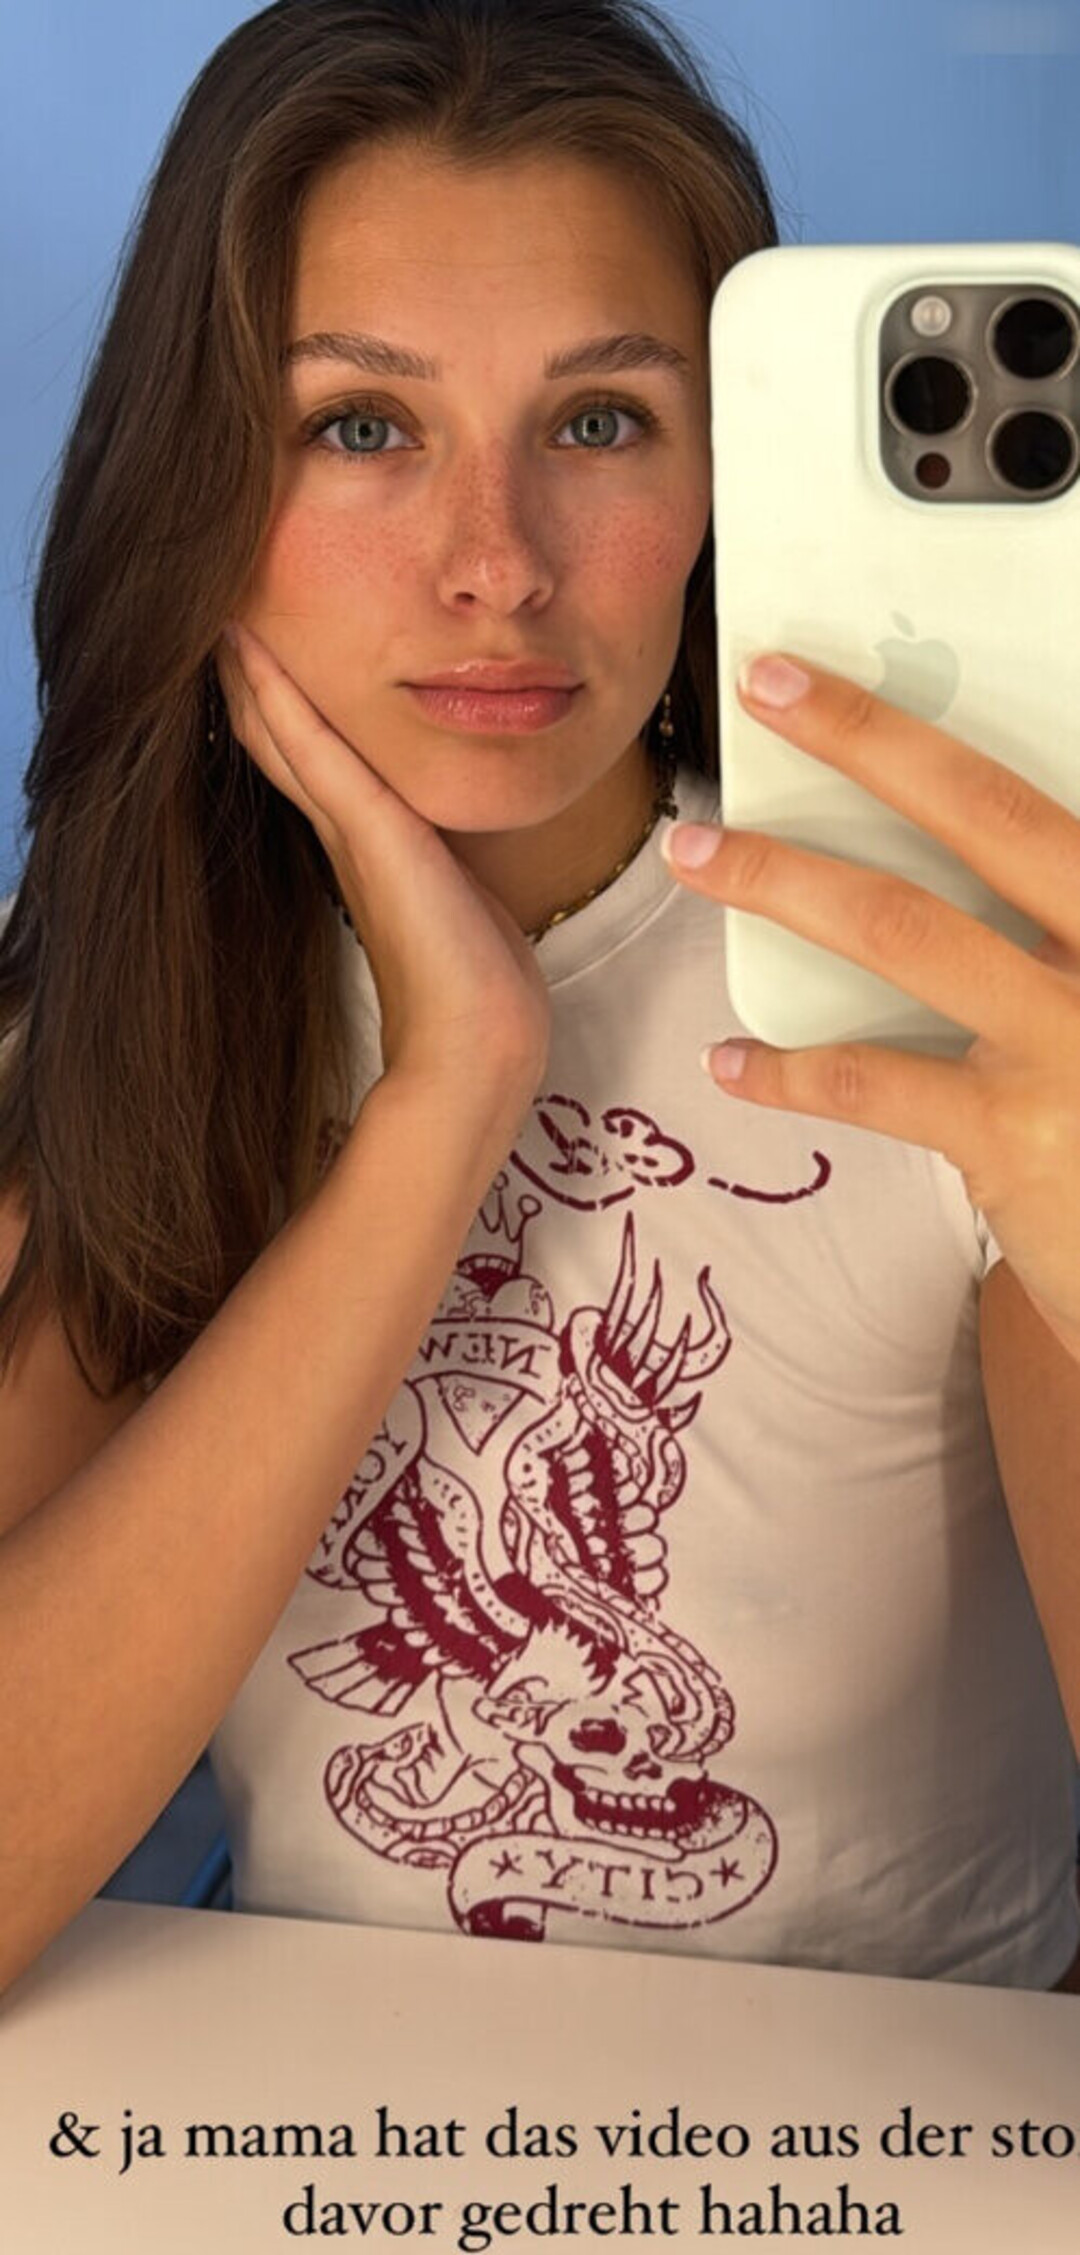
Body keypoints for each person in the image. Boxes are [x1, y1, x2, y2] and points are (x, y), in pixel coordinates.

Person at [0, 0, 1077, 1999]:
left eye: (598, 423)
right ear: (200, 480)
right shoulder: (114, 992)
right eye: (362, 426)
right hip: (305, 2141)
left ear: (727, 475)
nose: (493, 566)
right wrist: (450, 1092)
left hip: (879, 2141)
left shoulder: (950, 1000)